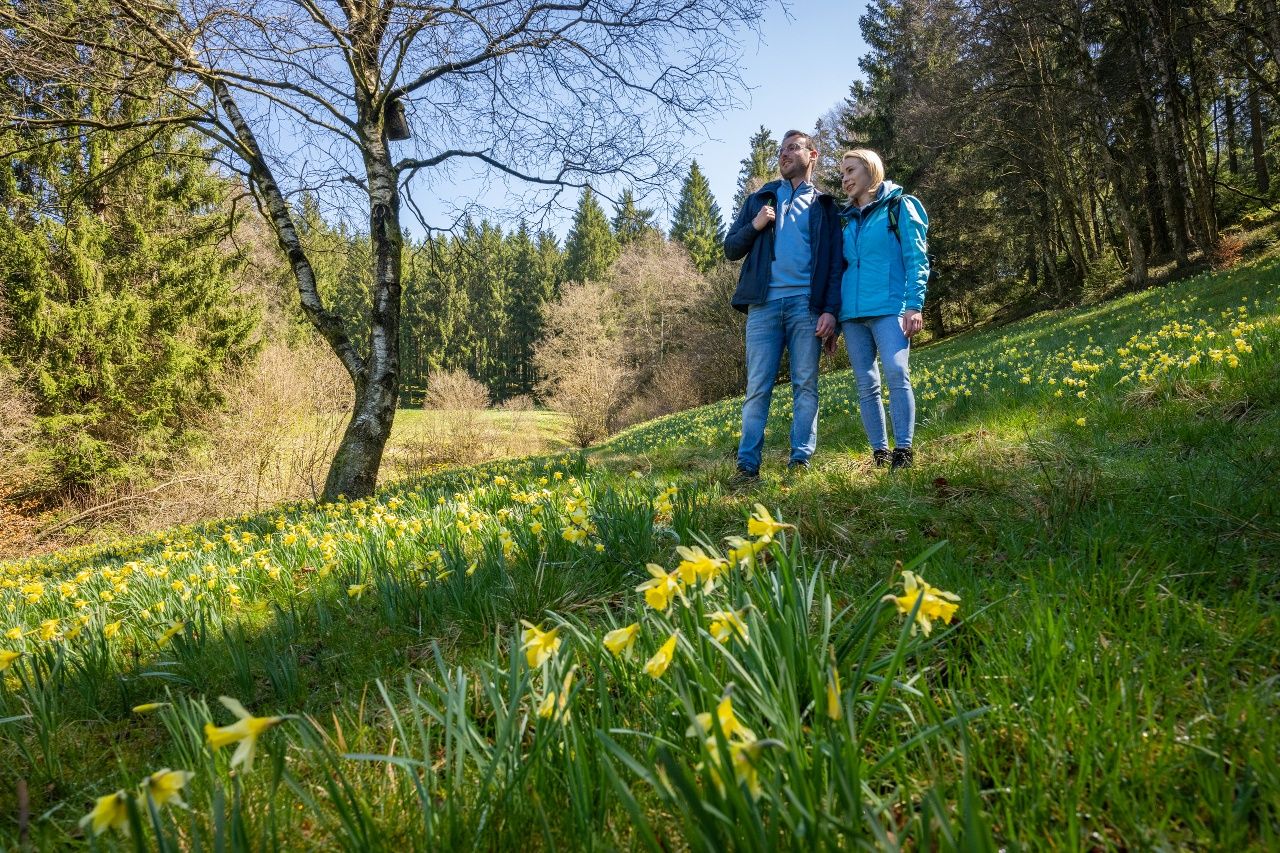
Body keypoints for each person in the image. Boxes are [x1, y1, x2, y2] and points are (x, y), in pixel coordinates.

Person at [724, 130, 843, 481]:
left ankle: (800, 461)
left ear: (812, 155)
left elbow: (835, 265)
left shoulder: (825, 206)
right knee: (757, 387)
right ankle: (747, 466)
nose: (784, 155)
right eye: (781, 150)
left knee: (805, 384)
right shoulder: (760, 199)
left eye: (793, 148)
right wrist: (756, 224)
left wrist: (831, 312)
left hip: (807, 307)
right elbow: (731, 248)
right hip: (763, 306)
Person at [834, 148, 929, 471]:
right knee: (866, 385)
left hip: (890, 307)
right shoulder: (844, 220)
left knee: (897, 373)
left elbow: (916, 259)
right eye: (842, 174)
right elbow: (839, 270)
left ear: (871, 170)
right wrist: (835, 321)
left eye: (851, 170)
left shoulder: (900, 206)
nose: (845, 179)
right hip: (852, 315)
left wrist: (914, 305)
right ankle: (880, 453)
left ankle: (903, 450)